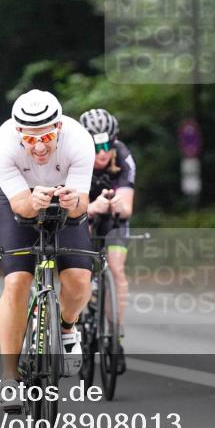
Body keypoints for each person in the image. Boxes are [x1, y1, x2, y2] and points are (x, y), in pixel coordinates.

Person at [0, 89, 95, 412]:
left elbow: (82, 208)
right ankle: (9, 377)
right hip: (18, 200)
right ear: (18, 131)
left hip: (67, 198)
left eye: (46, 136)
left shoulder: (79, 139)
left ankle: (66, 327)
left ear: (59, 128)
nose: (39, 146)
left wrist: (73, 202)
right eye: (30, 138)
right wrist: (32, 202)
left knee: (78, 279)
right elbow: (20, 206)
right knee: (16, 282)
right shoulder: (1, 143)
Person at [79, 108, 136, 374]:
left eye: (107, 145)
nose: (102, 153)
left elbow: (127, 209)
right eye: (95, 146)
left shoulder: (124, 158)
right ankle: (81, 313)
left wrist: (114, 204)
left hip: (113, 221)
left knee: (116, 269)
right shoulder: (75, 158)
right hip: (83, 216)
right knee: (79, 271)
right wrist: (92, 207)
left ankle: (116, 336)